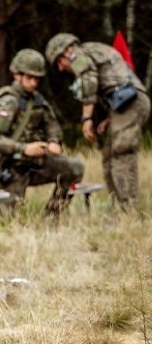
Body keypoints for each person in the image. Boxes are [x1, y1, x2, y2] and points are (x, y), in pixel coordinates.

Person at [45, 33, 150, 211]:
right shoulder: (91, 51)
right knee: (110, 156)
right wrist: (109, 118)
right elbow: (116, 83)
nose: (61, 68)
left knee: (121, 154)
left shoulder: (78, 54)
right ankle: (119, 208)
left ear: (66, 51)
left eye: (59, 62)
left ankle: (128, 211)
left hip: (132, 102)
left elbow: (89, 81)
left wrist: (86, 119)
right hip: (123, 105)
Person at [0, 49, 84, 217]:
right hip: (11, 167)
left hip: (35, 164)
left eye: (37, 79)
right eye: (29, 78)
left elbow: (52, 124)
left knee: (74, 168)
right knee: (5, 221)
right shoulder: (8, 101)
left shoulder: (37, 100)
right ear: (17, 75)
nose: (34, 83)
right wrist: (23, 148)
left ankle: (52, 217)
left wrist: (54, 141)